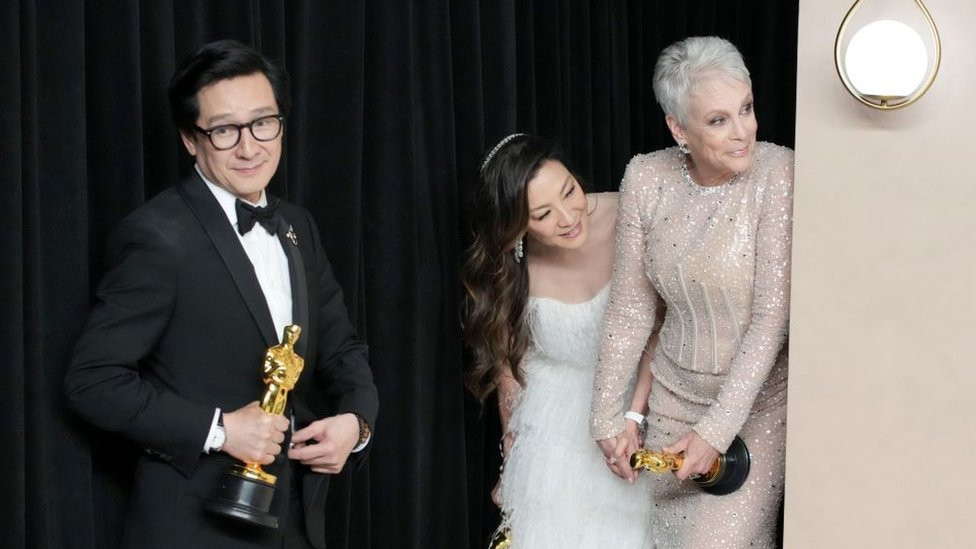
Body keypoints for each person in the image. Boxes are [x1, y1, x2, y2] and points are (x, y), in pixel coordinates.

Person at [64, 40, 378, 549]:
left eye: (262, 123)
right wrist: (219, 430)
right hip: (192, 528)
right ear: (191, 139)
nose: (250, 147)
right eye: (225, 130)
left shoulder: (299, 226)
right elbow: (91, 381)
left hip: (295, 523)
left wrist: (355, 425)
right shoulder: (156, 236)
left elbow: (343, 350)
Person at [590, 36, 793, 548]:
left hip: (756, 409)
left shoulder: (780, 173)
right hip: (673, 401)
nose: (743, 131)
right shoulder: (645, 176)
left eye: (746, 109)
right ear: (678, 129)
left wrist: (715, 433)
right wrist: (607, 419)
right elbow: (632, 309)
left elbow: (772, 316)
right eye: (719, 120)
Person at [463, 133, 655, 548]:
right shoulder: (509, 267)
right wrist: (512, 450)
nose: (569, 217)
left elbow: (662, 327)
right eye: (543, 215)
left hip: (636, 407)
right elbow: (510, 368)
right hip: (552, 426)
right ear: (515, 228)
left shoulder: (631, 213)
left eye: (570, 191)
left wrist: (634, 417)